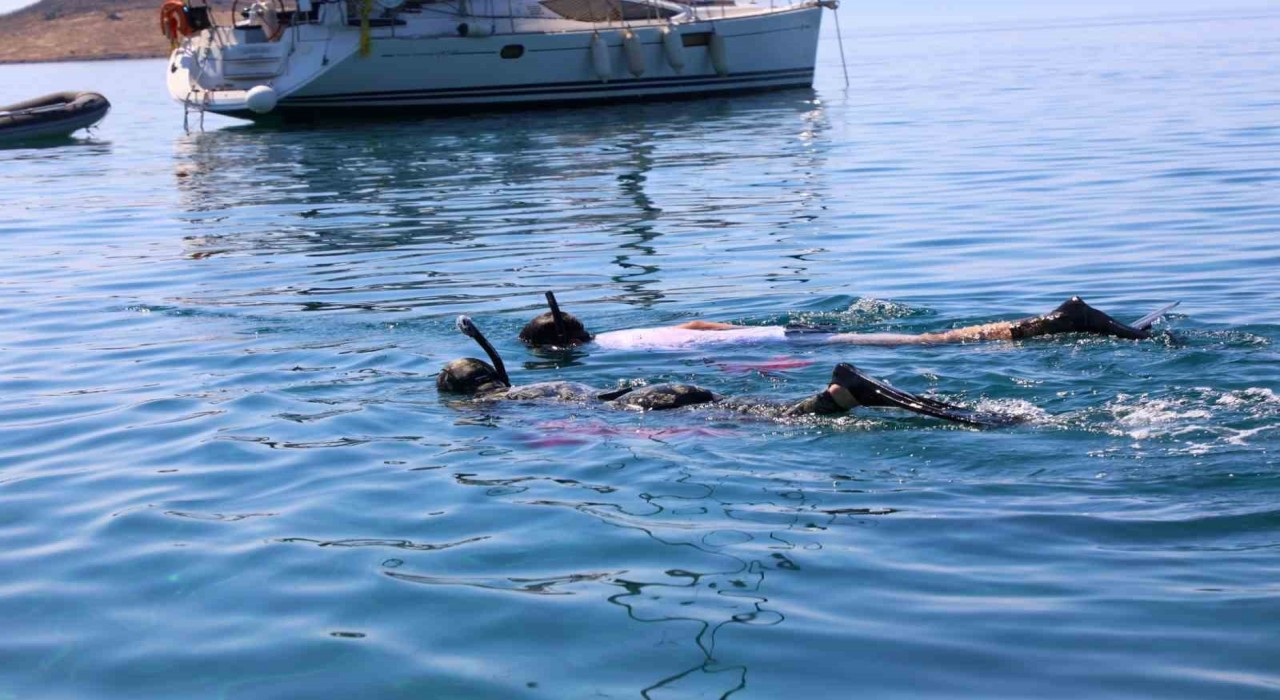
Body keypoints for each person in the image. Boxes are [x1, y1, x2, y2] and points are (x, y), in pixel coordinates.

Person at [438, 316, 1009, 426]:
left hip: (644, 409)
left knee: (779, 419)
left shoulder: (503, 404)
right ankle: (843, 392)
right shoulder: (538, 385)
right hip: (649, 393)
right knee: (760, 410)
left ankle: (842, 394)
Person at [517, 292, 1179, 351]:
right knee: (929, 340)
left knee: (933, 342)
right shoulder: (626, 333)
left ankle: (1056, 321)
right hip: (783, 333)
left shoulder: (611, 356)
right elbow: (698, 325)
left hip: (787, 345)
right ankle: (1052, 325)